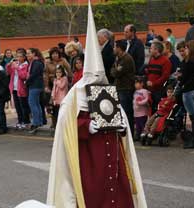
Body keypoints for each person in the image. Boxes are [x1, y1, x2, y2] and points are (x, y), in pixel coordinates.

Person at [47, 3, 147, 208]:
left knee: (117, 196)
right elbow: (65, 126)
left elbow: (120, 118)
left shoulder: (107, 90)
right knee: (94, 196)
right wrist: (86, 126)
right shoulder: (75, 95)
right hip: (89, 158)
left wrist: (122, 127)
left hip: (113, 155)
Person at [177, 40, 194, 149]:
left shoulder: (190, 62)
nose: (185, 50)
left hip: (188, 91)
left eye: (186, 48)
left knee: (193, 116)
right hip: (193, 90)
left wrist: (180, 80)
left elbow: (185, 77)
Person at [111, 39, 136, 137]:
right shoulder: (118, 58)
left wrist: (115, 71)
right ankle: (123, 132)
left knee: (126, 112)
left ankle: (129, 134)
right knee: (120, 112)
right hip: (119, 87)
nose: (113, 49)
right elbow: (112, 70)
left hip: (126, 89)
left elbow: (116, 73)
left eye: (115, 47)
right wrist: (114, 70)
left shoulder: (126, 59)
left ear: (119, 48)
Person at [144, 41, 172, 113]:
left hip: (159, 91)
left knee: (158, 110)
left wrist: (154, 83)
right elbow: (149, 73)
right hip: (150, 89)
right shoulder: (151, 59)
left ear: (156, 50)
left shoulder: (166, 61)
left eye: (151, 48)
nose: (150, 50)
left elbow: (165, 77)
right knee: (151, 110)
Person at [6, 49, 30, 129]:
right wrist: (9, 65)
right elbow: (9, 72)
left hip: (22, 88)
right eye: (17, 56)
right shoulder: (16, 64)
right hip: (14, 88)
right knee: (17, 106)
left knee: (23, 106)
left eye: (20, 56)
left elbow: (23, 76)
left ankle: (26, 121)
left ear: (24, 57)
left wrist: (17, 68)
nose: (18, 58)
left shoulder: (26, 65)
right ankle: (20, 121)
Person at [26, 48, 45, 133]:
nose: (27, 55)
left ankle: (36, 123)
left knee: (32, 104)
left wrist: (27, 82)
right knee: (36, 104)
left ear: (34, 54)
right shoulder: (36, 62)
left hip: (35, 85)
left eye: (29, 53)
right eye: (27, 53)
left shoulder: (36, 63)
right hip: (36, 85)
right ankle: (39, 121)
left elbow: (33, 74)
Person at [133, 76, 151, 141]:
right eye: (135, 83)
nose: (135, 85)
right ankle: (138, 135)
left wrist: (140, 102)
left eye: (137, 83)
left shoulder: (144, 91)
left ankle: (143, 136)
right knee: (137, 126)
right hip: (136, 113)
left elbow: (146, 99)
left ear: (142, 83)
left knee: (143, 125)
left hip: (143, 113)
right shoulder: (135, 92)